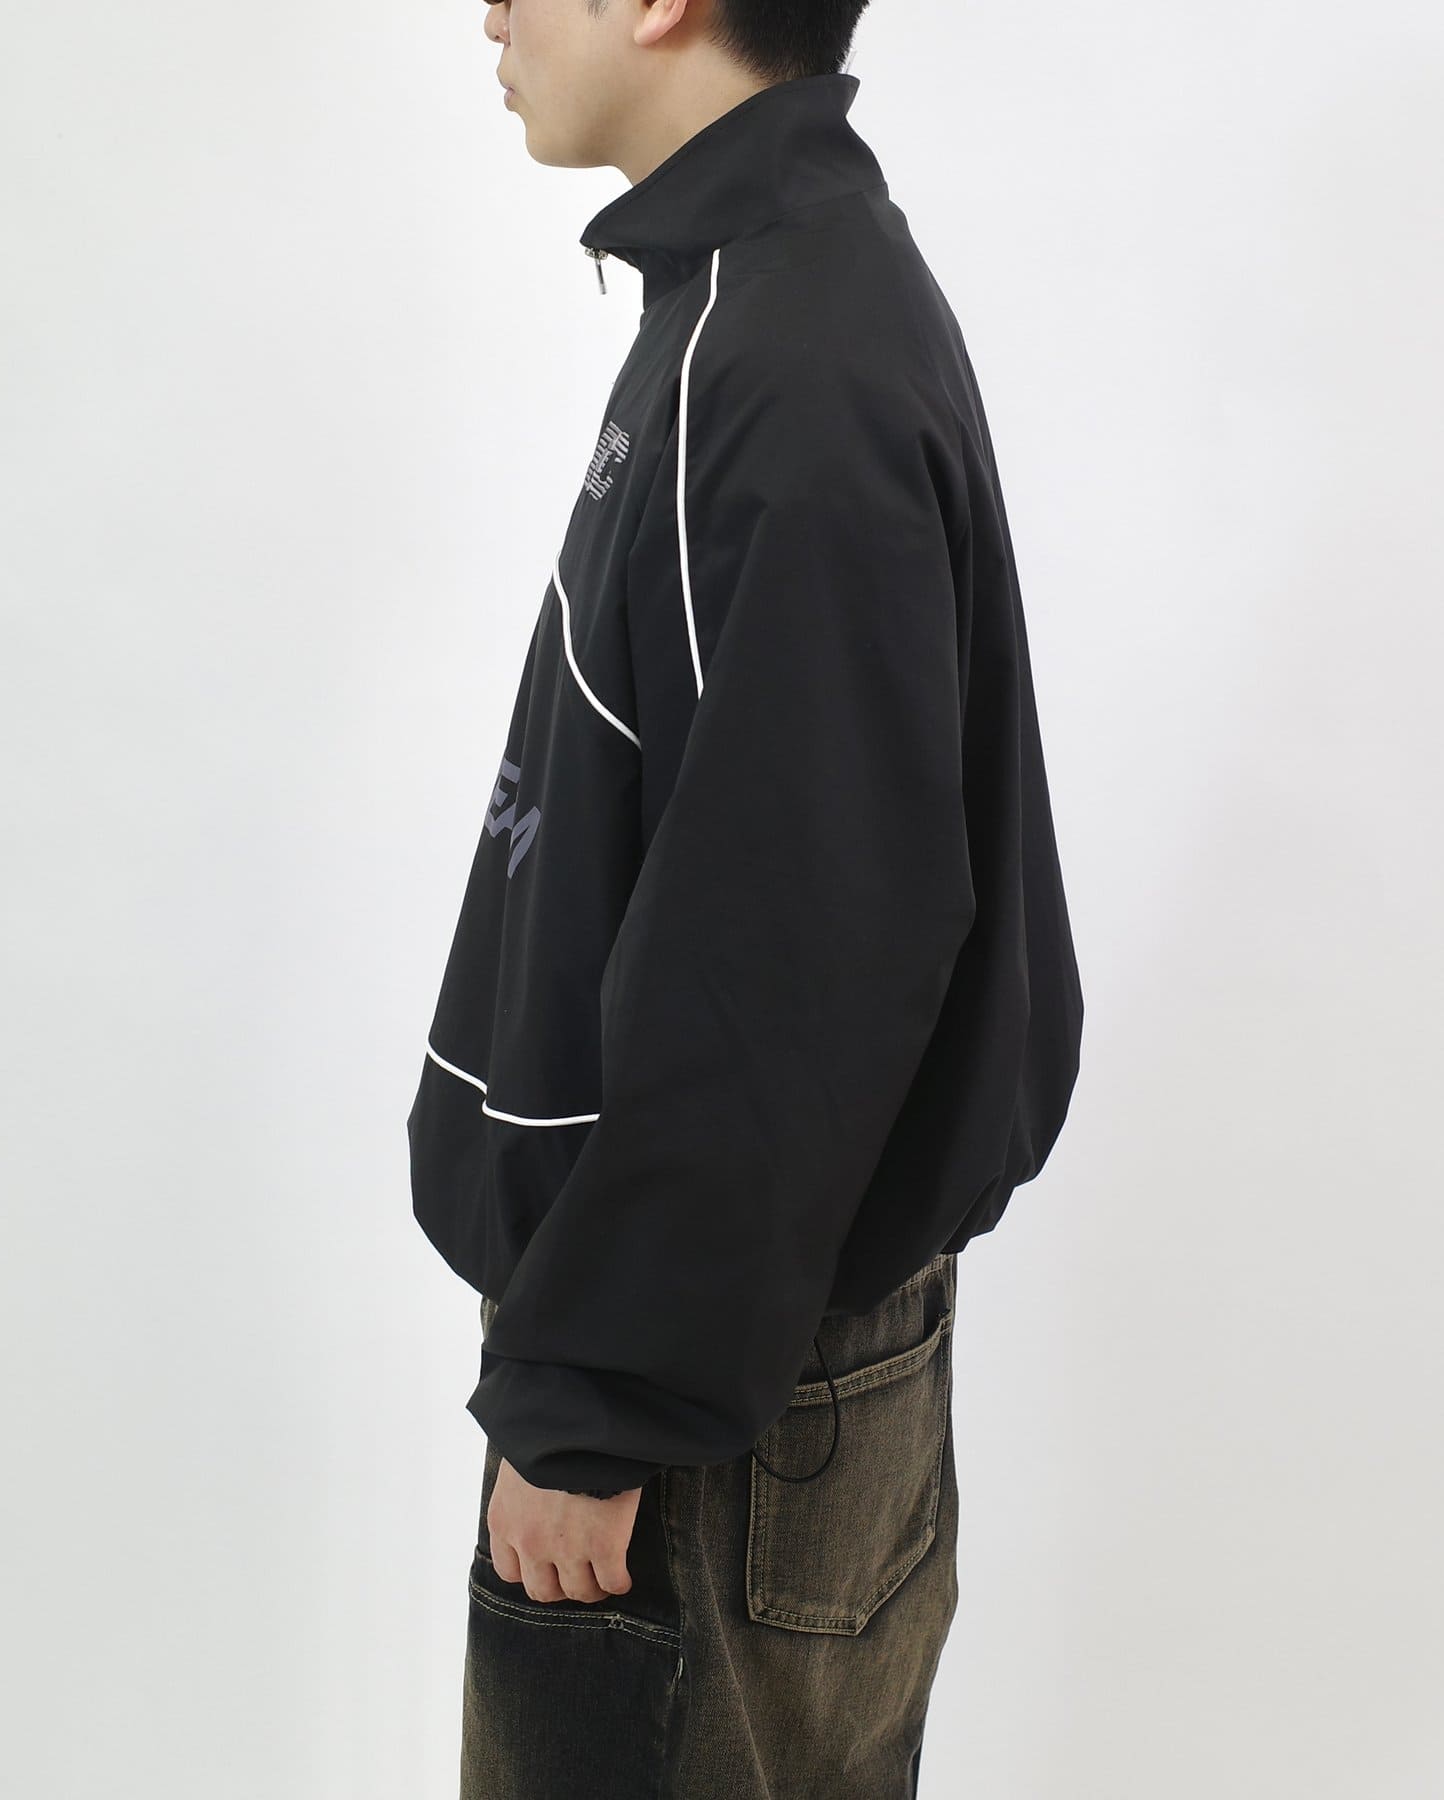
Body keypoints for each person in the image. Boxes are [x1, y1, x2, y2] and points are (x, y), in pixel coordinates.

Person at [407, 1, 1084, 1792]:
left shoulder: (792, 362)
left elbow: (804, 955)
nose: (486, 7)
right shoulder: (759, 301)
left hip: (707, 1403)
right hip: (724, 1352)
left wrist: (599, 1398)